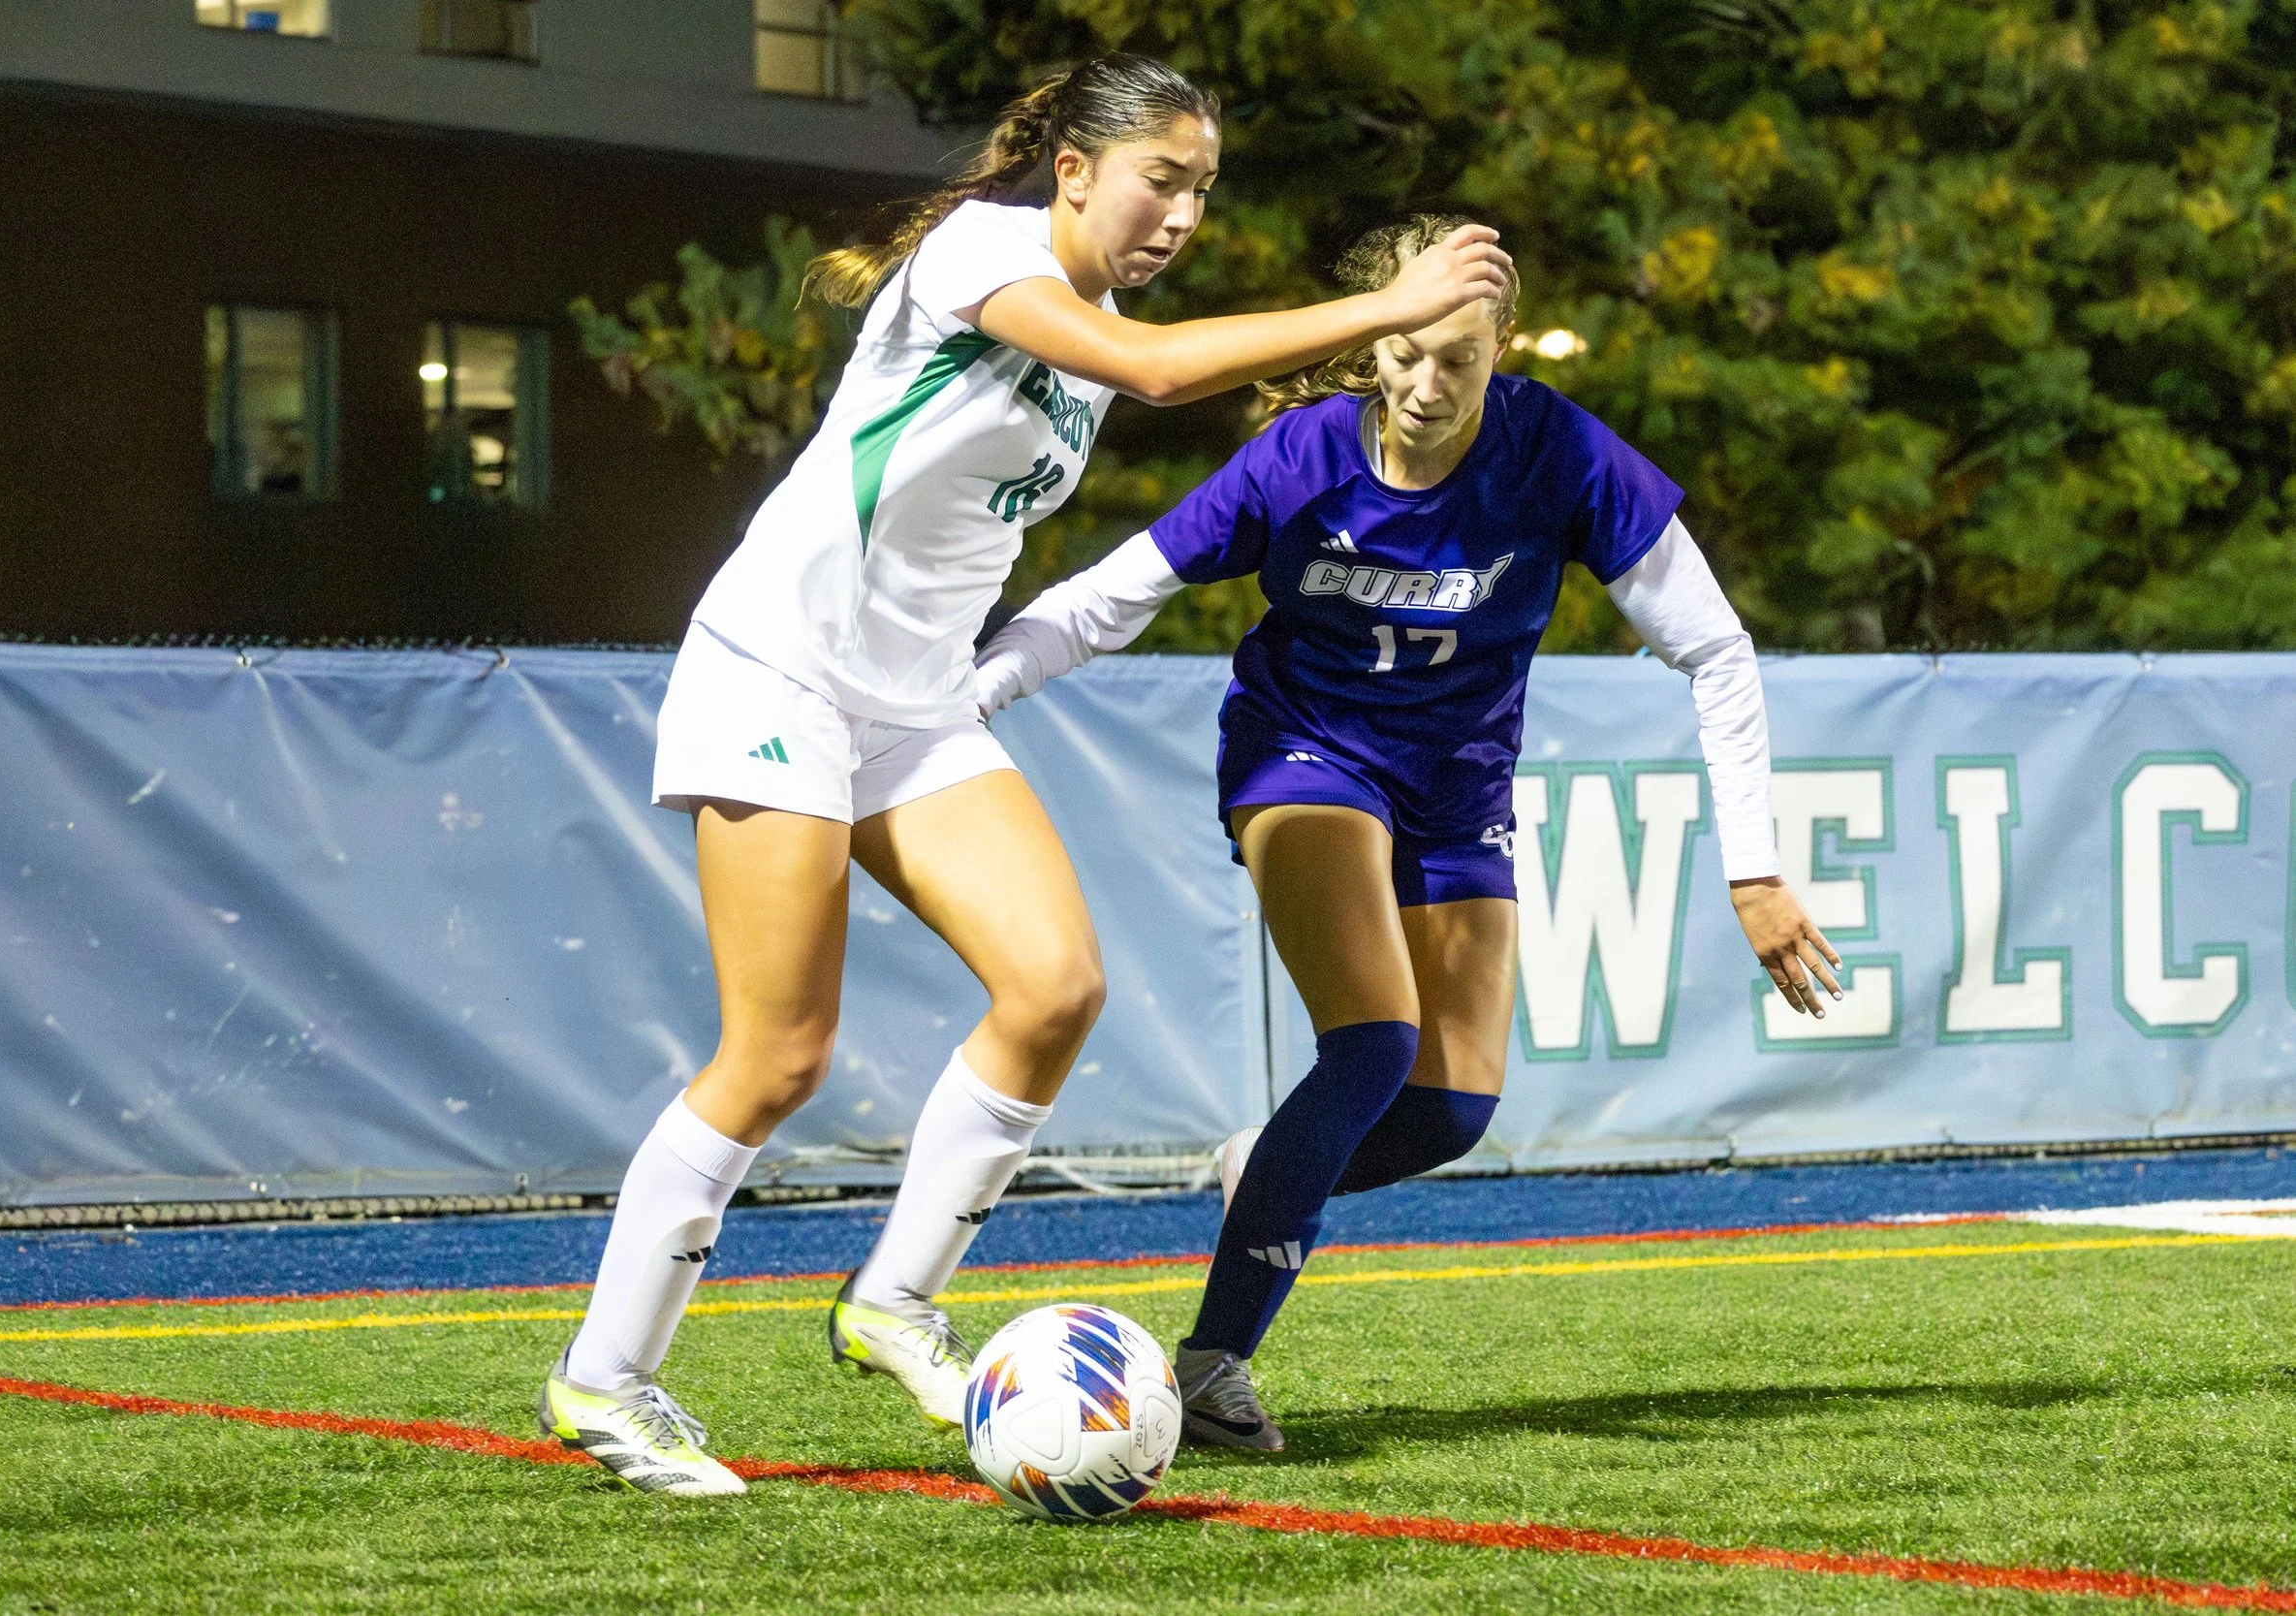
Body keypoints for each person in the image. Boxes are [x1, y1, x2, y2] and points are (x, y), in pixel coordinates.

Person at [539, 68, 1516, 1498]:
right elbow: (1175, 374)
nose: (1182, 213)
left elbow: (1140, 370)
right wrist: (1395, 302)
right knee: (782, 1053)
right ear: (1071, 170)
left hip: (912, 704)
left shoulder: (1099, 321)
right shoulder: (985, 254)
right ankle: (606, 1379)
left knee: (1055, 985)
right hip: (778, 677)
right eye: (1160, 180)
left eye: (1203, 191)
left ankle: (894, 1302)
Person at [973, 214, 1840, 1452]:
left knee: (1446, 1112)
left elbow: (1716, 647)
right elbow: (1106, 601)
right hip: (1301, 753)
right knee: (1374, 1038)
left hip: (1456, 782)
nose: (1430, 386)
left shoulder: (1557, 453)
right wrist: (954, 704)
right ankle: (1215, 1369)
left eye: (1462, 361)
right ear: (1370, 342)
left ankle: (1264, 1162)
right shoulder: (1300, 458)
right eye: (1406, 352)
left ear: (1504, 352)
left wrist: (1752, 870)